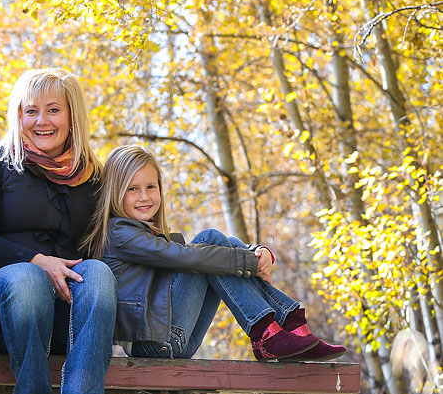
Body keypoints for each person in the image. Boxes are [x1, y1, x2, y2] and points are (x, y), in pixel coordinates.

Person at [0, 68, 117, 394]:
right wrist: (37, 260)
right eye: (31, 111)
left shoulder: (94, 179)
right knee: (27, 279)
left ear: (72, 115)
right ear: (17, 115)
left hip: (60, 314)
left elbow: (119, 240)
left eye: (53, 110)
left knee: (98, 271)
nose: (41, 121)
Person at [84, 145, 346, 362]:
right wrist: (248, 261)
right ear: (115, 192)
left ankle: (282, 327)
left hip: (171, 340)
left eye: (151, 187)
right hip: (153, 345)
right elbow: (184, 257)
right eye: (133, 189)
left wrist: (253, 252)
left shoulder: (145, 232)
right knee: (210, 242)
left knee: (222, 243)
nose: (144, 196)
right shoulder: (119, 233)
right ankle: (277, 326)